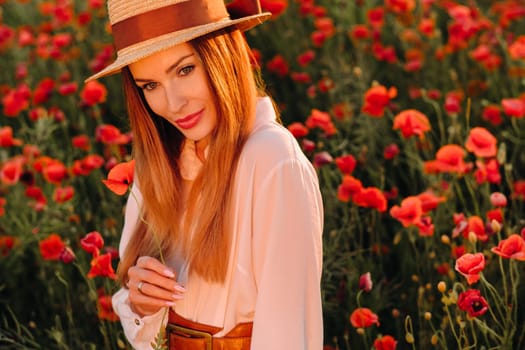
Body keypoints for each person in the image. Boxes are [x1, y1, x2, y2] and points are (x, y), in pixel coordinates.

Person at [86, 0, 324, 349]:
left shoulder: (271, 160)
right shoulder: (159, 162)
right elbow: (137, 326)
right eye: (149, 85)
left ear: (221, 54)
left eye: (184, 70)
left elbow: (289, 334)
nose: (173, 103)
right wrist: (141, 303)